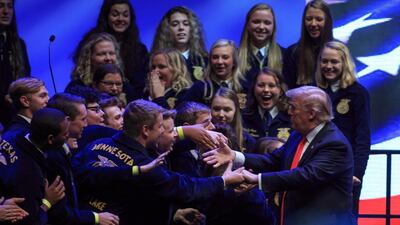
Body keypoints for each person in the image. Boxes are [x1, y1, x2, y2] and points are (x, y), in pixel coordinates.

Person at [72, 100, 244, 225]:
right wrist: (224, 180)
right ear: (145, 130)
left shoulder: (95, 140)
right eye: (161, 127)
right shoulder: (146, 167)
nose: (165, 132)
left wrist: (172, 214)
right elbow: (186, 188)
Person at [204, 86, 354, 225]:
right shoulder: (298, 135)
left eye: (293, 107)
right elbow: (272, 161)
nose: (289, 112)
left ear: (311, 114)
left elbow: (305, 176)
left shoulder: (334, 144)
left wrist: (258, 179)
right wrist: (234, 155)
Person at [315, 41, 370, 221]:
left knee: (345, 219)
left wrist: (357, 173)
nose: (328, 66)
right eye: (324, 61)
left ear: (344, 63)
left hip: (347, 171)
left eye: (334, 62)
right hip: (316, 168)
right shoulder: (313, 91)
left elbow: (363, 137)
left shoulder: (358, 93)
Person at [0, 108, 67, 225]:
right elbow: (30, 221)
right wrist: (47, 202)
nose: (67, 137)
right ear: (50, 139)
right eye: (65, 134)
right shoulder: (30, 175)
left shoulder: (10, 135)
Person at [74, 0, 148, 95]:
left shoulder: (139, 49)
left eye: (125, 15)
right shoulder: (90, 40)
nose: (120, 19)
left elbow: (139, 85)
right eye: (115, 14)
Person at [67, 33, 138, 104]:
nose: (108, 58)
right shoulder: (76, 88)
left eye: (111, 53)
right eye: (101, 54)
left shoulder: (126, 88)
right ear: (89, 57)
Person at [283, 0, 333, 89]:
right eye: (309, 19)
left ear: (327, 21)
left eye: (319, 19)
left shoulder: (338, 51)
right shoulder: (292, 52)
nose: (313, 24)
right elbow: (287, 89)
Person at [183, 39, 247, 108]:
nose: (219, 62)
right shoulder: (199, 88)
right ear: (210, 61)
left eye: (225, 57)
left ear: (234, 61)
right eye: (215, 57)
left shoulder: (245, 87)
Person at [151, 6, 208, 82]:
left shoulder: (203, 60)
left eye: (186, 24)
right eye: (175, 24)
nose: (181, 28)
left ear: (192, 29)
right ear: (167, 30)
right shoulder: (156, 60)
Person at [238, 3, 285, 92]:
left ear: (273, 27)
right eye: (256, 22)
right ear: (247, 25)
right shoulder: (235, 57)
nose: (261, 27)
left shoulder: (285, 55)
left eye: (267, 23)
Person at [0, 0, 31, 127]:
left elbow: (26, 76)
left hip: (14, 107)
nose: (6, 11)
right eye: (0, 6)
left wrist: (16, 95)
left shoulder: (18, 44)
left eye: (10, 6)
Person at [242, 67, 292, 141]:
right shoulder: (243, 117)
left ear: (281, 90)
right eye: (261, 85)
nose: (266, 90)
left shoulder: (290, 118)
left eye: (271, 86)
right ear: (253, 89)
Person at [2, 77, 49, 142]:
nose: (48, 100)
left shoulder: (39, 124)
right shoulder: (16, 135)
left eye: (47, 95)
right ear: (25, 101)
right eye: (42, 96)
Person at [210, 87, 255, 152]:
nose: (221, 114)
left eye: (227, 110)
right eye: (216, 109)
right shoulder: (201, 136)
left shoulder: (248, 140)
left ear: (235, 111)